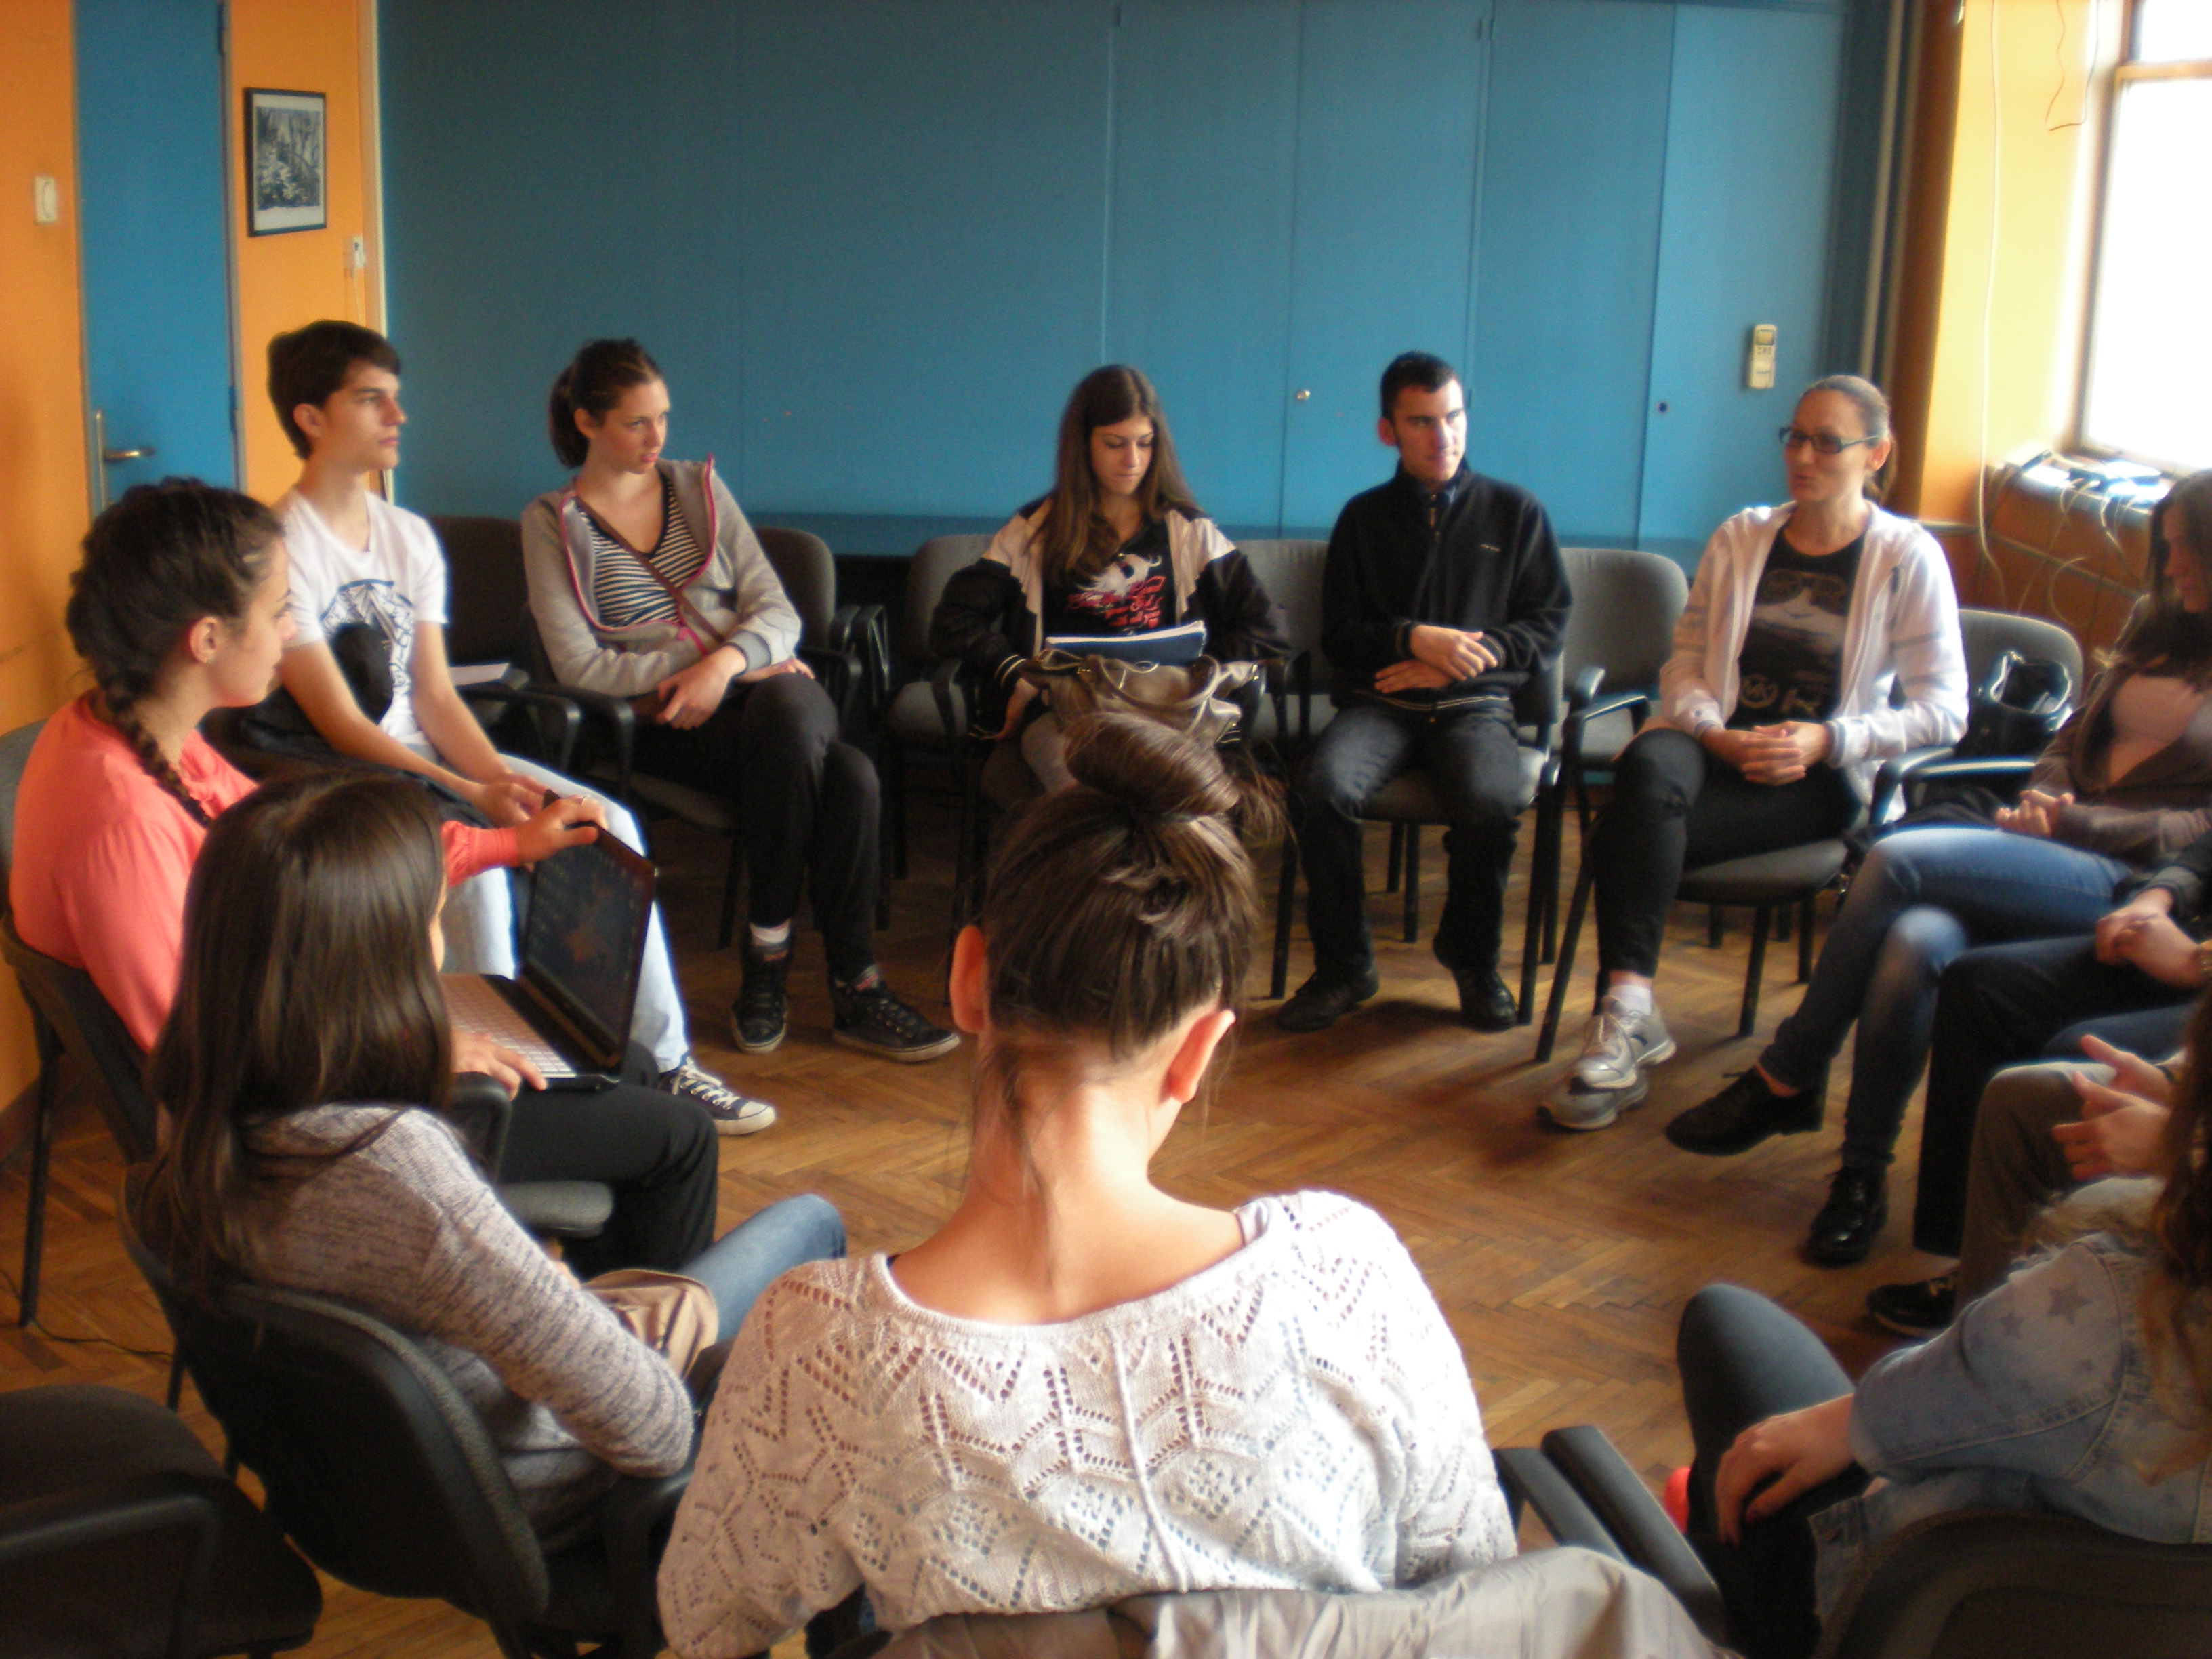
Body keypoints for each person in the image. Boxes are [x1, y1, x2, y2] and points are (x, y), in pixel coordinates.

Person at [657, 716, 1515, 1657]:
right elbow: (1474, 1581)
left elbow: (704, 1619)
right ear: (1199, 1052)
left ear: (969, 979)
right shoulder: (1345, 1276)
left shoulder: (822, 1349)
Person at [7, 479, 724, 1275]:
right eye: (280, 609)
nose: (291, 631)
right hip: (300, 1128)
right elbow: (205, 1061)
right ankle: (603, 1334)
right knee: (679, 1135)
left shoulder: (131, 734)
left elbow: (328, 861)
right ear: (206, 638)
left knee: (618, 1064)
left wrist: (508, 845)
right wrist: (414, 1048)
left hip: (313, 1048)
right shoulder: (122, 820)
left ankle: (570, 1317)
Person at [131, 769, 844, 1544]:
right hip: (530, 1494)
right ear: (382, 963)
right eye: (434, 920)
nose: (438, 948)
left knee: (641, 1112)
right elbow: (654, 1430)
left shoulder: (198, 1094)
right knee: (812, 1223)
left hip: (360, 1490)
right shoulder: (401, 1173)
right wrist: (566, 1304)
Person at [1662, 469, 2212, 1265]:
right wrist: (2046, 797)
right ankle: (1861, 1174)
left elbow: (2202, 827)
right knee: (1914, 941)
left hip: (2135, 881)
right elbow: (2069, 737)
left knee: (1897, 862)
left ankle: (1790, 1072)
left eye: (2188, 549)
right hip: (2050, 840)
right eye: (2168, 549)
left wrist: (2076, 822)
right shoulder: (2157, 623)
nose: (2174, 566)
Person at [258, 320, 776, 1130]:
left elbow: (435, 696)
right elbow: (338, 720)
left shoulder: (407, 535)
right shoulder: (278, 546)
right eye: (371, 400)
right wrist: (471, 794)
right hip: (345, 776)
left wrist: (499, 779)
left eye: (397, 398)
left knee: (607, 823)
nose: (398, 416)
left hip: (433, 761)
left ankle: (666, 1064)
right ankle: (504, 1095)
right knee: (482, 867)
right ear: (310, 418)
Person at [1677, 985, 2212, 1659]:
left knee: (1725, 1323)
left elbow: (1910, 1423)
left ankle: (1730, 1622)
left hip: (1891, 1615)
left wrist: (1855, 1421)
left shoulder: (2105, 1306)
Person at [1550, 375, 1967, 1131]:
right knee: (1647, 763)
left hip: (1820, 775)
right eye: (1795, 438)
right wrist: (1715, 733)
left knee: (1624, 834)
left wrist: (1830, 737)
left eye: (1827, 443)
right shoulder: (1741, 537)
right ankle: (1631, 1011)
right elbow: (1684, 663)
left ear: (1875, 454)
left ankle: (1625, 1022)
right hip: (1716, 746)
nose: (1803, 457)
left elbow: (1945, 710)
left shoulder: (1908, 556)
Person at [525, 338, 954, 1065]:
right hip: (661, 720)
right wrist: (703, 670)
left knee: (789, 719)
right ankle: (856, 987)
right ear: (587, 422)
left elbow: (778, 611)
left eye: (664, 417)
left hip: (762, 696)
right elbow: (580, 665)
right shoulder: (550, 521)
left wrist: (726, 664)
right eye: (636, 422)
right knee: (850, 776)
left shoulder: (698, 489)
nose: (657, 438)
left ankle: (768, 959)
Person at [1277, 352, 1570, 1036]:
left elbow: (1547, 622)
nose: (1444, 437)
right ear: (1388, 431)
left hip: (1475, 706)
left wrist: (1460, 661)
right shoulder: (1363, 518)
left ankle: (1472, 960)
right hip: (1383, 704)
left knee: (1493, 802)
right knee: (1321, 789)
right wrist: (1413, 639)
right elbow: (1341, 635)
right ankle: (1345, 967)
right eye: (1422, 423)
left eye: (1454, 418)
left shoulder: (1516, 511)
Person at [928, 363, 1285, 798]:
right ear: (1083, 445)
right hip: (1065, 709)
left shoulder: (1189, 531)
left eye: (1145, 443)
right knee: (1093, 798)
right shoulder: (1035, 530)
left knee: (1172, 798)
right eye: (1115, 444)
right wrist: (1019, 673)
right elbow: (953, 620)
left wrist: (1198, 674)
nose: (1132, 460)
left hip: (1162, 709)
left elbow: (1267, 628)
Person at [1868, 1043, 2177, 1336]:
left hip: (2191, 1154)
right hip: (2190, 1107)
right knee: (2019, 1094)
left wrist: (2175, 1144)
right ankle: (1977, 1325)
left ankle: (2017, 1341)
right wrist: (2170, 1079)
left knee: (2093, 1203)